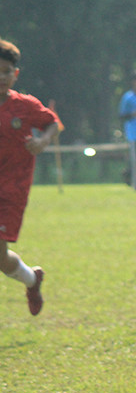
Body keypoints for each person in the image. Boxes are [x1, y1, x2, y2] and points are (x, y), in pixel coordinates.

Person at [1, 38, 62, 316]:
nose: (1, 77)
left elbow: (52, 123)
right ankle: (31, 279)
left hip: (11, 190)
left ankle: (30, 279)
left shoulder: (25, 106)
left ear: (15, 74)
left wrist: (43, 141)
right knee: (2, 261)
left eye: (6, 72)